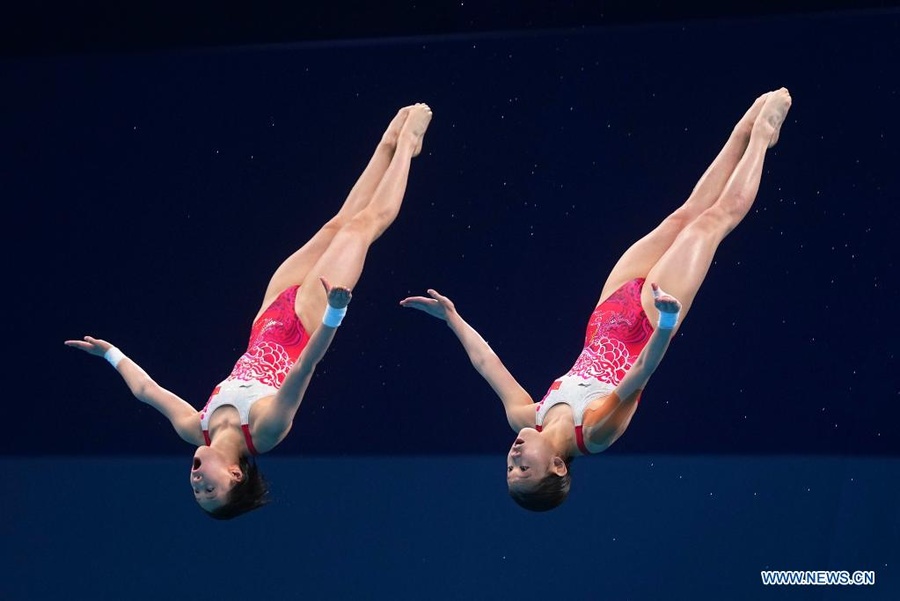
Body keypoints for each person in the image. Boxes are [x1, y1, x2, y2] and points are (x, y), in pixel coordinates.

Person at [401, 89, 791, 512]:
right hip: (648, 322)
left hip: (608, 311)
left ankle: (742, 131)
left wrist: (453, 318)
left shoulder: (525, 417)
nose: (512, 460)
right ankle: (762, 138)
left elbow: (487, 365)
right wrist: (664, 323)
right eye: (524, 471)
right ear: (558, 467)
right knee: (710, 224)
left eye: (508, 470)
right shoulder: (597, 433)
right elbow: (641, 372)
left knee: (684, 215)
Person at [66, 103, 433, 519]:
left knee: (336, 225)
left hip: (268, 316)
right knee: (361, 229)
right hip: (309, 321)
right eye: (210, 491)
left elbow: (148, 392)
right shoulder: (264, 432)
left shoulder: (195, 426)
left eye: (196, 493)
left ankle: (385, 143)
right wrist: (334, 314)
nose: (197, 484)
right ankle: (407, 147)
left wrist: (110, 354)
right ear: (236, 476)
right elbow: (303, 370)